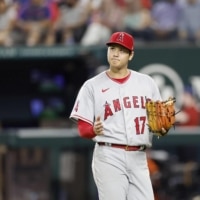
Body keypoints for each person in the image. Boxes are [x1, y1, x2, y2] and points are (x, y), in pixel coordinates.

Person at [69, 31, 163, 200]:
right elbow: (83, 130)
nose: (115, 53)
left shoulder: (147, 83)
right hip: (109, 154)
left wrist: (163, 124)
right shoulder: (92, 86)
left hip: (139, 156)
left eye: (121, 50)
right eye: (112, 48)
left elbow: (160, 123)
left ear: (131, 55)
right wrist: (93, 129)